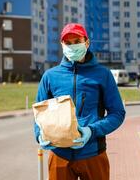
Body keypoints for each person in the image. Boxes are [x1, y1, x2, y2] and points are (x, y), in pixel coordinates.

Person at [34, 23, 126, 180]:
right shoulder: (50, 76)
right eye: (68, 43)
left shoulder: (103, 75)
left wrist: (92, 130)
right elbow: (39, 115)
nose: (72, 46)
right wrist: (39, 135)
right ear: (62, 45)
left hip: (93, 154)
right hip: (59, 155)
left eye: (77, 41)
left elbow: (117, 113)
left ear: (87, 42)